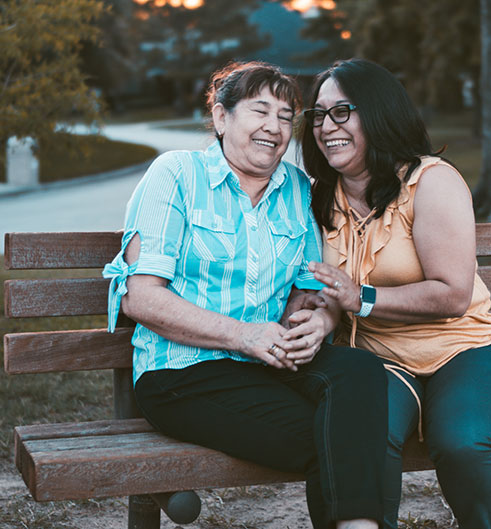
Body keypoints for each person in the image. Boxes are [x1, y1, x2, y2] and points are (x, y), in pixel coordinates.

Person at [102, 61, 387, 529]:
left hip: (267, 365)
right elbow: (140, 297)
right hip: (181, 375)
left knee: (359, 370)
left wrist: (315, 320)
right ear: (221, 118)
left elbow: (308, 288)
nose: (274, 128)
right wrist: (242, 335)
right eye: (260, 111)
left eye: (284, 115)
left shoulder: (297, 189)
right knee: (338, 438)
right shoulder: (176, 175)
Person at [299, 58, 491, 529]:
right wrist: (317, 315)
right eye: (318, 114)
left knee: (460, 440)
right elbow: (326, 291)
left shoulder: (430, 181)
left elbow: (453, 294)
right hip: (377, 359)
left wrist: (363, 298)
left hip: (464, 350)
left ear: (377, 113)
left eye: (342, 112)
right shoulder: (318, 196)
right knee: (360, 441)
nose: (326, 126)